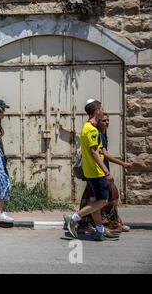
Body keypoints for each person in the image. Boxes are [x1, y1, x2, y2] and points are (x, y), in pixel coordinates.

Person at [64, 99, 120, 241]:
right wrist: (107, 172)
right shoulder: (92, 130)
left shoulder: (87, 127)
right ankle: (74, 217)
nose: (102, 111)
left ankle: (100, 230)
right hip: (96, 172)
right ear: (96, 111)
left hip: (90, 172)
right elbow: (95, 153)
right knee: (102, 201)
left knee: (94, 201)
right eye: (101, 109)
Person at [78, 113, 131, 234]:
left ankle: (100, 227)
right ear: (98, 122)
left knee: (97, 199)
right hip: (98, 172)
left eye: (107, 120)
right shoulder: (97, 134)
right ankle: (82, 220)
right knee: (105, 198)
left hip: (99, 171)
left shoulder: (102, 134)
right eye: (103, 121)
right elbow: (102, 154)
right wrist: (121, 164)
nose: (106, 122)